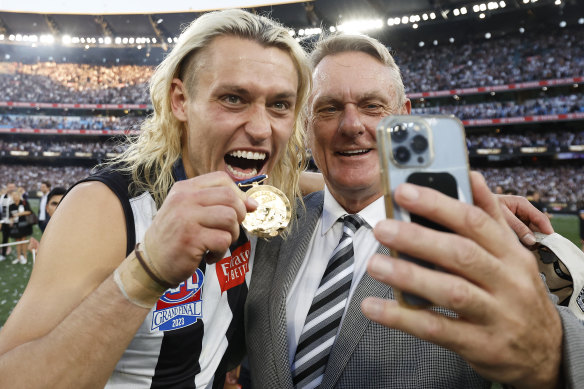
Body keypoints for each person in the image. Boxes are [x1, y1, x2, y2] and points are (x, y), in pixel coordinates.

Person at [245, 33, 584, 388]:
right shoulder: (272, 227)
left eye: (372, 106)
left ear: (403, 118)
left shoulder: (471, 240)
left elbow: (554, 342)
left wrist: (550, 360)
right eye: (328, 108)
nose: (352, 126)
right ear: (306, 123)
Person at [0, 9, 311, 388]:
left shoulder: (259, 198)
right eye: (233, 98)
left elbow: (318, 186)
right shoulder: (105, 209)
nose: (261, 128)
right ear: (180, 100)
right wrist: (145, 273)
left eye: (280, 104)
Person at [27, 186, 67, 254]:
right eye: (54, 204)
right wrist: (40, 252)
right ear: (47, 208)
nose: (59, 207)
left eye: (63, 203)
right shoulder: (49, 232)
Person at [7, 188, 32, 264]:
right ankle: (18, 257)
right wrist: (11, 221)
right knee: (17, 242)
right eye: (13, 196)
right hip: (16, 226)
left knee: (23, 241)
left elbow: (29, 212)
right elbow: (10, 216)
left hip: (24, 225)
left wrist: (19, 214)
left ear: (19, 195)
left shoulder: (24, 202)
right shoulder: (11, 206)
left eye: (16, 195)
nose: (15, 197)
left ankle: (24, 256)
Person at [0, 182, 16, 261]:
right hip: (5, 221)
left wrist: (13, 219)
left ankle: (20, 254)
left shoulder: (16, 196)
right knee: (5, 238)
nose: (11, 189)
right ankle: (3, 254)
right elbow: (1, 209)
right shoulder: (4, 196)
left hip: (16, 222)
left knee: (19, 237)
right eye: (10, 187)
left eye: (12, 187)